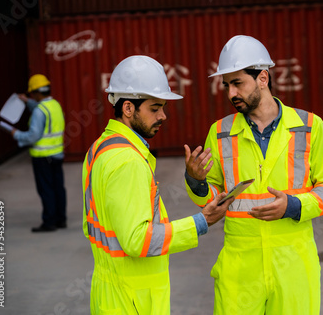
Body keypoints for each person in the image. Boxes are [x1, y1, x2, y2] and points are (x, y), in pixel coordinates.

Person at [185, 35, 323, 314]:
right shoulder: (220, 132)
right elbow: (212, 201)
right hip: (240, 269)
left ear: (262, 78)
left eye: (237, 83)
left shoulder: (309, 127)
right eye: (226, 85)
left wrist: (293, 205)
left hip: (293, 266)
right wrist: (196, 182)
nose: (231, 93)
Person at [82, 55, 233, 314]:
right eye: (154, 108)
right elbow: (138, 241)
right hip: (132, 301)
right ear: (128, 108)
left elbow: (92, 227)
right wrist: (201, 222)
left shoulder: (99, 148)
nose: (163, 115)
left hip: (110, 292)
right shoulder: (127, 161)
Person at [10, 74, 67, 232]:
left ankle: (49, 222)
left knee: (46, 190)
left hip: (42, 157)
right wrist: (27, 102)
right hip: (57, 155)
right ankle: (61, 220)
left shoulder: (39, 111)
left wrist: (16, 134)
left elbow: (33, 136)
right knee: (58, 188)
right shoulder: (55, 105)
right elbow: (40, 109)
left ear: (36, 93)